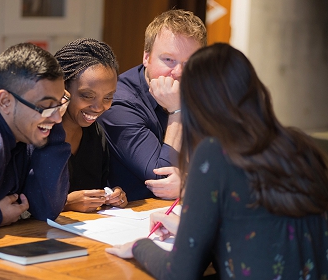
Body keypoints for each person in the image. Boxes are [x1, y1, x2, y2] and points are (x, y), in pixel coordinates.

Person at [106, 43, 328, 279]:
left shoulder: (214, 154)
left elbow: (179, 273)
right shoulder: (300, 145)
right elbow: (264, 229)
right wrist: (191, 230)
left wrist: (140, 246)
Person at [0, 43, 71, 237]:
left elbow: (46, 209)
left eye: (60, 104)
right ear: (5, 101)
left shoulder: (22, 128)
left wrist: (50, 119)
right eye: (46, 106)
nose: (59, 118)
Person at [98, 9, 207, 201]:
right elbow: (163, 179)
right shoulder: (118, 101)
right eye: (168, 60)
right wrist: (177, 111)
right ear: (146, 57)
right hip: (131, 220)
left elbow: (232, 163)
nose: (179, 72)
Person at [54, 38, 128, 212]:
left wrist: (112, 196)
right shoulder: (38, 134)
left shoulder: (95, 134)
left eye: (108, 97)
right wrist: (66, 203)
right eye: (87, 96)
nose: (99, 107)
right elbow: (19, 206)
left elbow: (97, 189)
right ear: (62, 88)